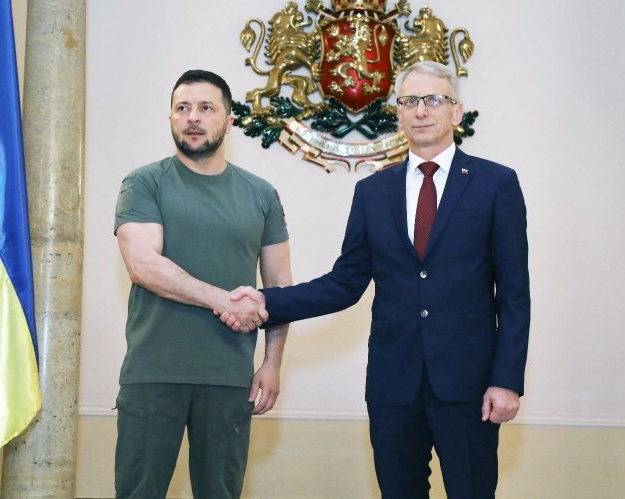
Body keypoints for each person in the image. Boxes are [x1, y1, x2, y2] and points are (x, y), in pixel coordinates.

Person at [221, 61, 530, 498]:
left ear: (456, 112)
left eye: (434, 100)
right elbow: (345, 282)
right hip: (393, 385)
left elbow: (514, 295)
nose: (421, 110)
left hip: (471, 386)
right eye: (410, 101)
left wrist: (506, 379)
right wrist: (267, 301)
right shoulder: (373, 192)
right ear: (398, 114)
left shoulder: (496, 184)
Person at [113, 69, 292, 499]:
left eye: (206, 108)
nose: (193, 117)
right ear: (171, 118)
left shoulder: (261, 194)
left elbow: (281, 290)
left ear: (228, 120)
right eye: (182, 108)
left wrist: (272, 363)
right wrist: (224, 300)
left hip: (230, 379)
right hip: (153, 373)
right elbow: (143, 265)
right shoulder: (144, 182)